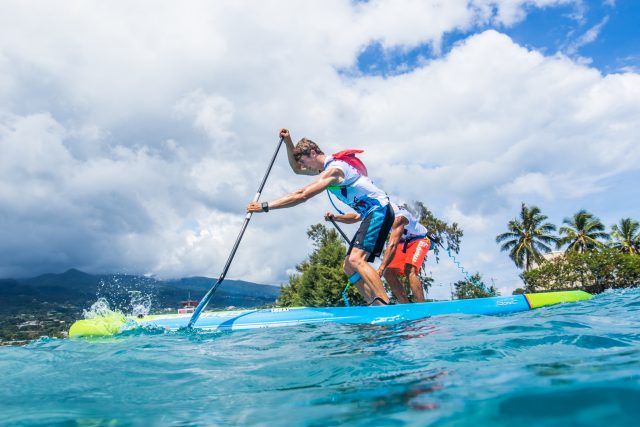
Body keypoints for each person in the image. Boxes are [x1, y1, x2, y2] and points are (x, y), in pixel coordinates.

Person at [247, 128, 394, 306]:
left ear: (314, 153)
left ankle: (385, 304)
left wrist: (265, 206)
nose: (305, 166)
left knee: (356, 259)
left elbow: (302, 194)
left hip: (378, 210)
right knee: (348, 266)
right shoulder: (325, 169)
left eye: (304, 161)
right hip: (371, 213)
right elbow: (297, 169)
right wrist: (288, 142)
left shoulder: (334, 169)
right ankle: (374, 304)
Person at [326, 202, 431, 303]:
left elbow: (392, 245)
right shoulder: (378, 208)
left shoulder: (399, 217)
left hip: (420, 238)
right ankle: (405, 306)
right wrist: (335, 218)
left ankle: (421, 306)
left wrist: (380, 269)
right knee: (388, 273)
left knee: (409, 270)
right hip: (403, 242)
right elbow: (356, 217)